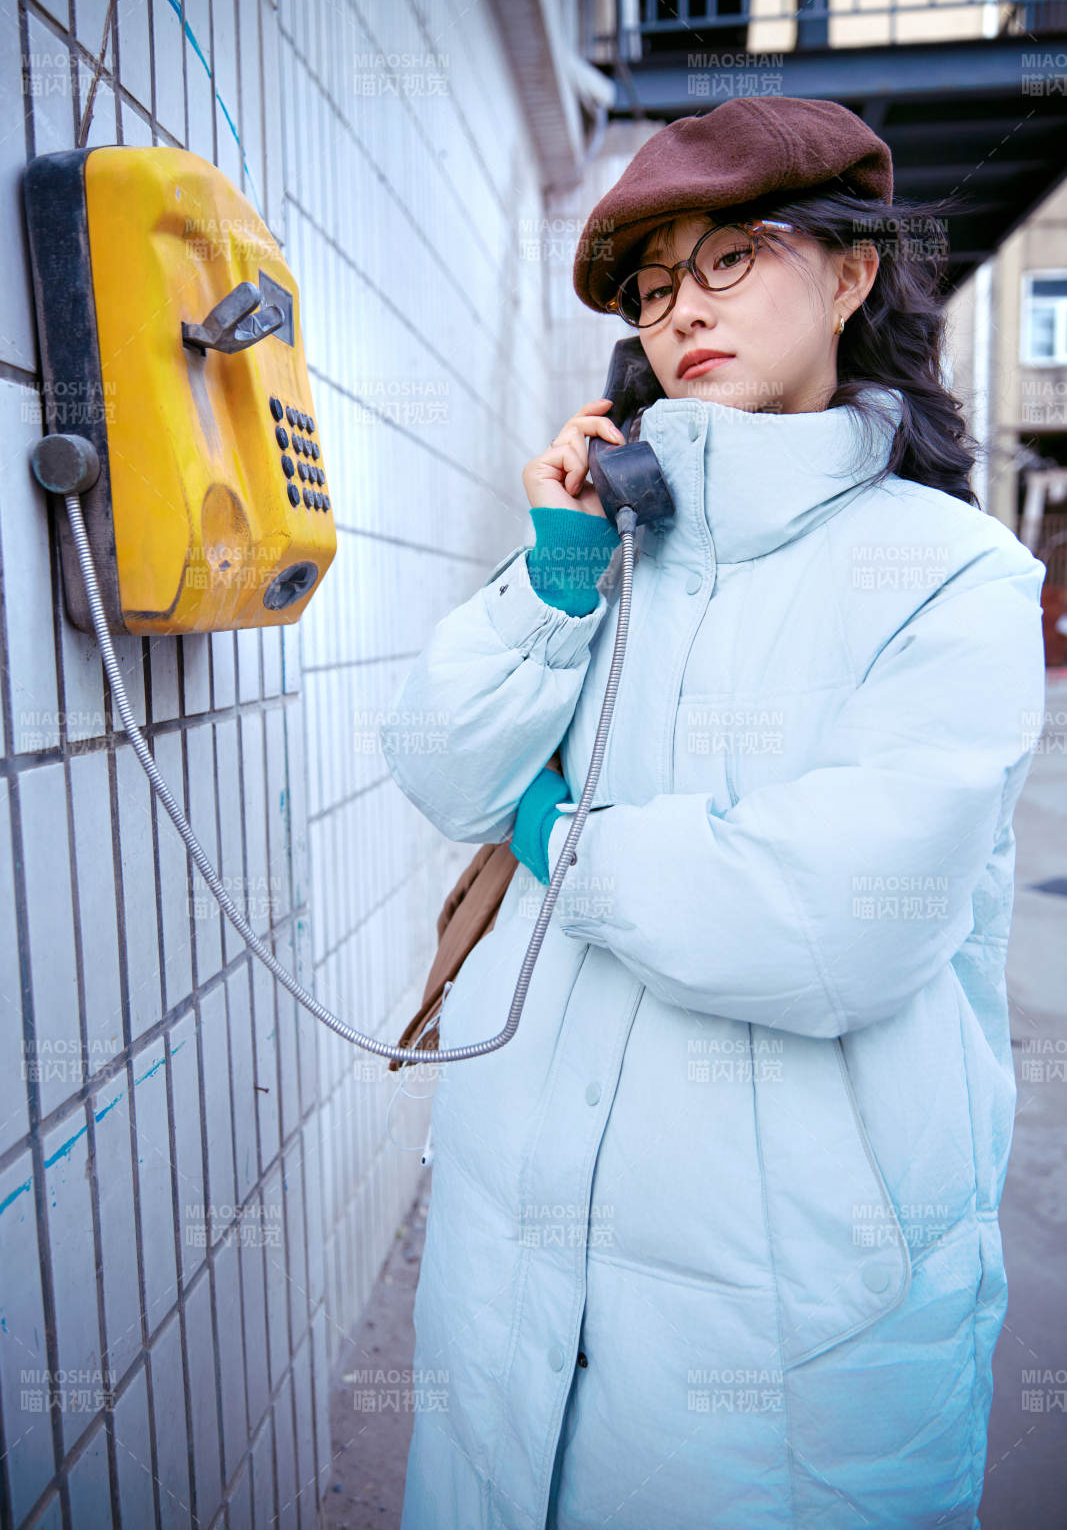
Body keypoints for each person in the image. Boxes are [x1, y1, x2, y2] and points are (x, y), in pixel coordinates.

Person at [381, 96, 1047, 1529]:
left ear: (853, 274)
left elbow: (826, 923)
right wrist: (554, 575)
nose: (684, 307)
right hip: (517, 1240)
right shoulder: (610, 548)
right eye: (653, 283)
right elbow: (440, 765)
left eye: (729, 258)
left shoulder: (955, 577)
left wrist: (554, 836)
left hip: (785, 1299)